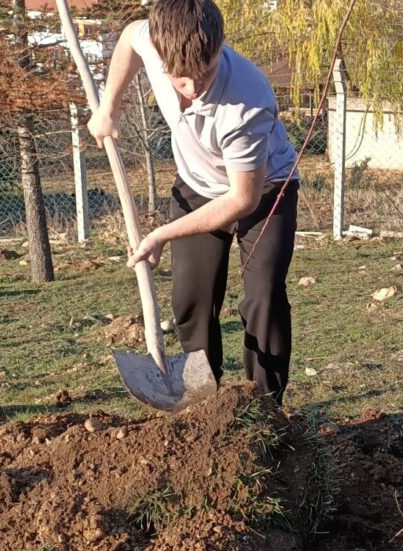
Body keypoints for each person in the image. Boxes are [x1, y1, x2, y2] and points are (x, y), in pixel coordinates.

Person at [87, 0, 299, 403]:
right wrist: (109, 107)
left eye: (207, 72)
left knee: (263, 296)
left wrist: (161, 234)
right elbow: (132, 36)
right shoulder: (155, 41)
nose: (194, 88)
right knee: (191, 297)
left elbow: (241, 198)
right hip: (198, 183)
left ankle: (263, 408)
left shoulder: (247, 101)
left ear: (220, 46)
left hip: (266, 188)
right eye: (181, 79)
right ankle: (203, 401)